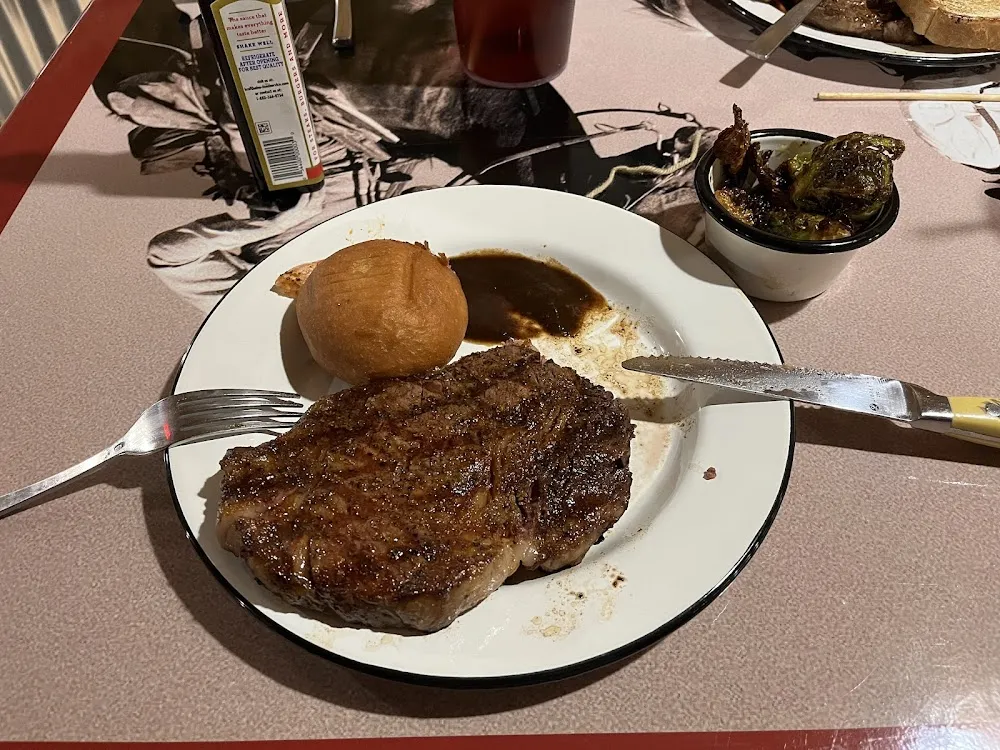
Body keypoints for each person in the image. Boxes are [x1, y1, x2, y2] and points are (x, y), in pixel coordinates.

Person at [94, 0, 716, 310]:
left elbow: (167, 259)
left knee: (458, 78)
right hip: (427, 186)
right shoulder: (342, 302)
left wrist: (271, 224)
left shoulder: (254, 290)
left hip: (319, 127)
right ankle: (670, 187)